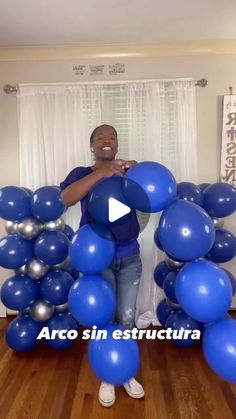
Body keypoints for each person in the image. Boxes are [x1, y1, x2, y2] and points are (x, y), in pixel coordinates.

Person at [60, 124, 144, 407]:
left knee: (127, 319)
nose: (107, 141)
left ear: (117, 144)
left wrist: (139, 170)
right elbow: (66, 198)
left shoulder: (129, 173)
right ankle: (109, 374)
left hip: (130, 255)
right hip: (97, 259)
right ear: (92, 145)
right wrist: (101, 174)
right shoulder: (82, 174)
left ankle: (127, 370)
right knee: (104, 320)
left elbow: (155, 194)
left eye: (112, 137)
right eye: (100, 138)